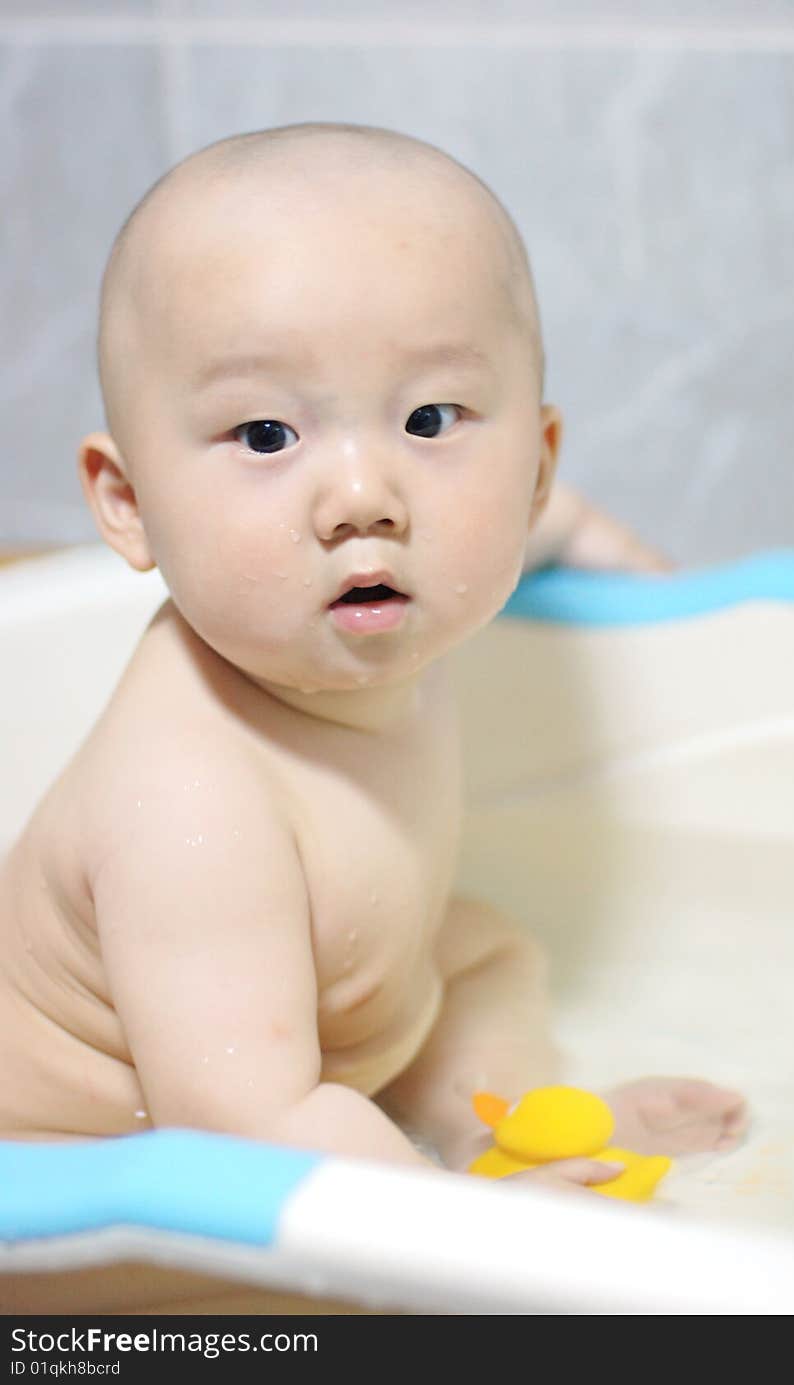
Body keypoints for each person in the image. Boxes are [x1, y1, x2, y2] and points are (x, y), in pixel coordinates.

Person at [0, 124, 745, 1197]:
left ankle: (507, 1123)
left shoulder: (396, 580)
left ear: (532, 467)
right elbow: (242, 1129)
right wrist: (465, 1238)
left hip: (326, 1034)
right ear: (130, 505)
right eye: (265, 435)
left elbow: (520, 525)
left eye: (430, 418)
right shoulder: (185, 802)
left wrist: (608, 553)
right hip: (103, 1180)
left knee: (484, 950)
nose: (364, 496)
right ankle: (460, 1200)